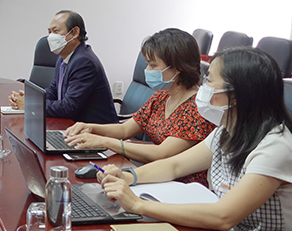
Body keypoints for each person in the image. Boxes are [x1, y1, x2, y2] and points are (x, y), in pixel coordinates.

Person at [99, 47, 292, 231]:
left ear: (237, 94)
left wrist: (138, 205)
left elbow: (223, 216)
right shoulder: (226, 131)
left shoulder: (275, 147)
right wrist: (129, 177)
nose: (203, 88)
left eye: (210, 81)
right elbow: (175, 166)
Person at [64, 28, 215, 185]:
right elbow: (125, 130)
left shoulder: (196, 108)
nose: (146, 70)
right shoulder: (162, 96)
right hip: (152, 175)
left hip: (179, 185)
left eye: (153, 65)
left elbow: (161, 153)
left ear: (178, 67)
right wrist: (90, 128)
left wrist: (104, 142)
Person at [8, 10, 118, 124]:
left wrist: (32, 105)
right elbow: (53, 91)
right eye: (49, 32)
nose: (50, 37)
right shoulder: (63, 58)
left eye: (56, 31)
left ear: (75, 32)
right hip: (74, 126)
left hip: (96, 130)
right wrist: (29, 98)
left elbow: (68, 107)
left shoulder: (84, 62)